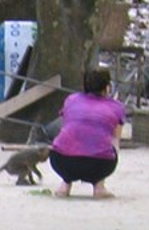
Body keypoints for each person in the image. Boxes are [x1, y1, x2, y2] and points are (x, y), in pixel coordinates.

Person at [49, 66, 127, 199]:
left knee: (70, 143)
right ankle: (99, 186)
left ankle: (65, 185)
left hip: (61, 160)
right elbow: (115, 140)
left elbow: (67, 126)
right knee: (108, 148)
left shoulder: (71, 100)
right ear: (107, 87)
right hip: (99, 164)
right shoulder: (116, 107)